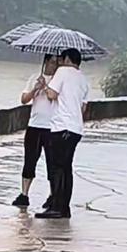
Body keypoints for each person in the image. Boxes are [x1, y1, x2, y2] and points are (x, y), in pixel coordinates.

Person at [35, 48, 89, 219]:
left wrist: (45, 86)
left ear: (67, 59)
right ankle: (64, 207)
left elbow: (51, 94)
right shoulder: (84, 79)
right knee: (67, 168)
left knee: (57, 167)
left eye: (61, 58)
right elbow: (84, 107)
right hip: (75, 129)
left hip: (61, 127)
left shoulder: (63, 72)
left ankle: (57, 207)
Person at [12, 54, 59, 208]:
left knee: (52, 163)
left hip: (52, 127)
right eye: (52, 62)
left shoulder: (58, 81)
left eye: (57, 62)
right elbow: (24, 99)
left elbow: (54, 98)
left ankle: (53, 195)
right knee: (30, 160)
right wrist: (35, 89)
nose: (55, 65)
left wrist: (45, 87)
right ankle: (24, 194)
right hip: (34, 125)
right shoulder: (34, 78)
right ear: (45, 62)